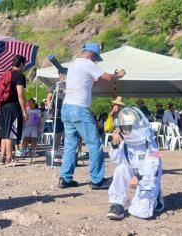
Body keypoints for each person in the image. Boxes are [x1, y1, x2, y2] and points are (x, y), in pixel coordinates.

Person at [59, 42, 125, 189]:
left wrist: (110, 77)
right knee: (95, 144)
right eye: (96, 58)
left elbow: (93, 82)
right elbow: (107, 77)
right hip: (79, 108)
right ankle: (96, 180)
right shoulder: (87, 63)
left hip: (67, 107)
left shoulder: (75, 64)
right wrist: (118, 75)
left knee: (70, 144)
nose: (96, 61)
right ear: (92, 55)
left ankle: (65, 178)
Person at [107, 107, 164, 220]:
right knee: (121, 169)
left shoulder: (151, 143)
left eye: (128, 127)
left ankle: (156, 196)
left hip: (149, 178)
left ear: (137, 126)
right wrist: (114, 143)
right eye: (123, 128)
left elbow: (154, 164)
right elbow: (117, 161)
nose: (126, 131)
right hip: (135, 174)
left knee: (140, 213)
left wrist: (138, 176)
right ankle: (117, 204)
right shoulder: (126, 144)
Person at [0, 55, 28, 165]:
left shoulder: (6, 74)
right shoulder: (19, 76)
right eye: (24, 65)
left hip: (4, 106)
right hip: (14, 107)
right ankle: (9, 158)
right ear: (21, 64)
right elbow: (20, 94)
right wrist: (24, 110)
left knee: (5, 133)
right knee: (11, 133)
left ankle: (3, 157)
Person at [46, 73, 66, 151]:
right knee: (58, 131)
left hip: (68, 110)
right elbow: (49, 97)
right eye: (60, 75)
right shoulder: (54, 86)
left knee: (69, 131)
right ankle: (54, 149)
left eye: (62, 75)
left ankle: (68, 151)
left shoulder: (70, 85)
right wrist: (50, 107)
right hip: (57, 111)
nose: (61, 76)